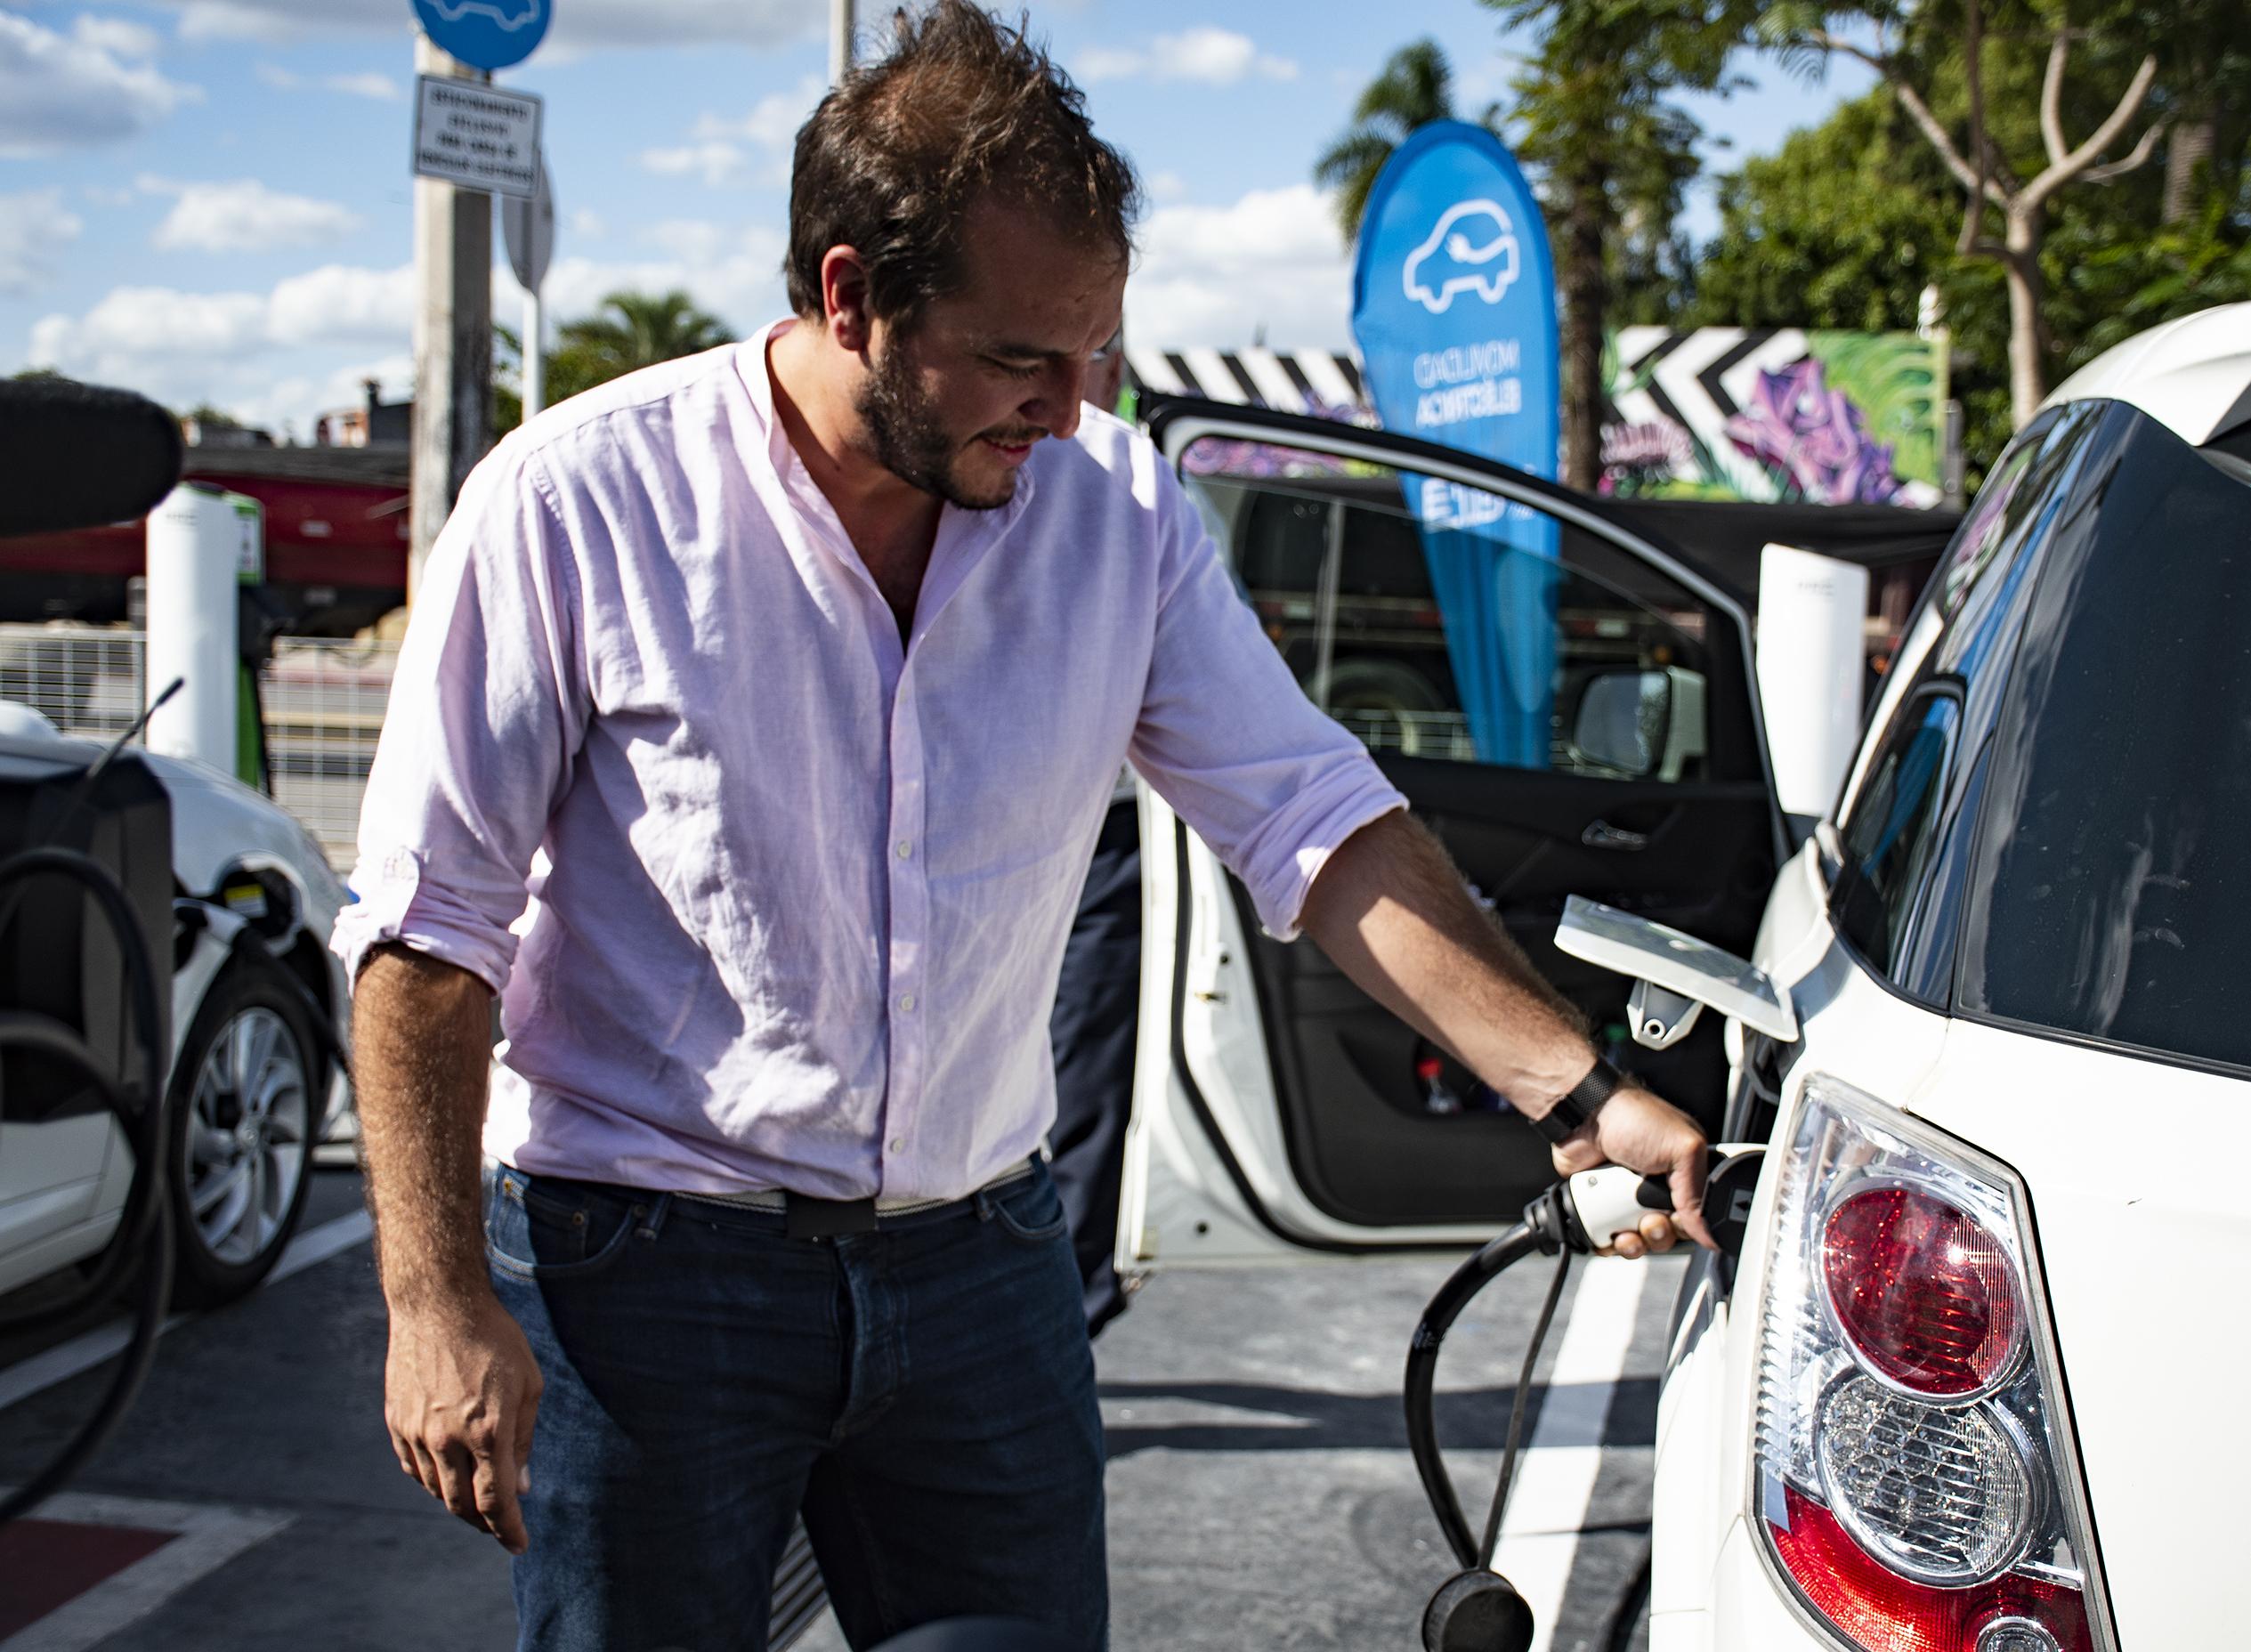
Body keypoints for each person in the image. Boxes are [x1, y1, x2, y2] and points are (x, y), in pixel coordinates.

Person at [334, 8, 1713, 1652]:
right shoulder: (575, 503)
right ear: (849, 296)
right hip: (644, 1272)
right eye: (1017, 359)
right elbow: (430, 935)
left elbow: (1313, 818)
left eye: (1094, 356)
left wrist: (1568, 1088)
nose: (1066, 410)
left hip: (978, 1270)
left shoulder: (1114, 513)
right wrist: (432, 1301)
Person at [1047, 328, 1142, 1339]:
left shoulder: (1141, 499)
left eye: (1098, 346)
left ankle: (1064, 1318)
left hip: (1105, 836)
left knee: (1079, 1080)